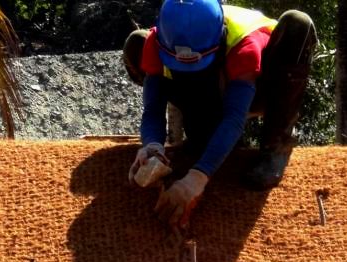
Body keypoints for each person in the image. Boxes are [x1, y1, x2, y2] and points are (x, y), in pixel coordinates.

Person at [123, 0, 317, 229]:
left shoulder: (245, 45)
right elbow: (153, 107)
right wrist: (152, 145)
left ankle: (276, 148)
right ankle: (205, 139)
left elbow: (234, 119)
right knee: (136, 43)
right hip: (209, 85)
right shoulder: (157, 42)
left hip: (260, 84)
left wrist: (196, 179)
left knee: (297, 23)